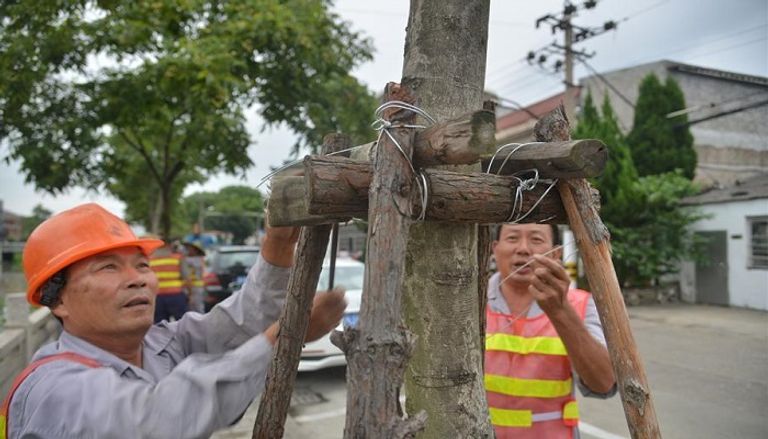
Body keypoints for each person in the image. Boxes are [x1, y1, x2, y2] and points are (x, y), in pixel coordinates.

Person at [2, 203, 345, 438]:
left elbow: (234, 327)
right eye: (108, 267)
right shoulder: (52, 389)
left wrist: (277, 248)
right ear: (57, 299)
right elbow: (157, 419)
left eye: (141, 265)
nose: (137, 279)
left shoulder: (159, 343)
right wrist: (282, 335)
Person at [485, 223, 616, 439]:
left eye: (536, 240)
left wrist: (560, 311)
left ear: (556, 253)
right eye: (512, 238)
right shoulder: (468, 302)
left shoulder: (581, 304)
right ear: (494, 248)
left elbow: (603, 383)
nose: (523, 249)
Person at [149, 239, 190, 322]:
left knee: (160, 326)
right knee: (182, 324)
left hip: (158, 296)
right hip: (176, 295)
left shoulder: (150, 260)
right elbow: (187, 277)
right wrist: (189, 293)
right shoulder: (177, 257)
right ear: (168, 245)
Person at [181, 241, 207, 314]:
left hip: (195, 287)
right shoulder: (188, 259)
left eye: (189, 248)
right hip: (188, 287)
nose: (186, 250)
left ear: (195, 250)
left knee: (197, 309)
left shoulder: (197, 260)